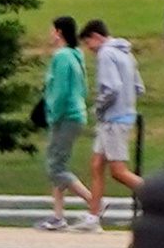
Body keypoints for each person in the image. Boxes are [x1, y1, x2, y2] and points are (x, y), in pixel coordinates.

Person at [35, 16, 91, 230]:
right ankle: (58, 216)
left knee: (55, 167)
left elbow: (60, 91)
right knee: (58, 162)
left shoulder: (61, 57)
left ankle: (93, 201)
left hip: (64, 116)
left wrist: (53, 115)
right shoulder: (77, 55)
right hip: (76, 114)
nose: (50, 34)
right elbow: (83, 87)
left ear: (59, 32)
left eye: (52, 30)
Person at [84, 20, 141, 223]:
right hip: (122, 116)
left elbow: (111, 88)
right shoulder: (126, 53)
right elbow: (138, 87)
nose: (89, 49)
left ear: (96, 36)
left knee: (118, 171)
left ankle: (160, 198)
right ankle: (92, 216)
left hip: (113, 120)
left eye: (88, 43)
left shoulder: (106, 54)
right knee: (96, 164)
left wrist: (98, 107)